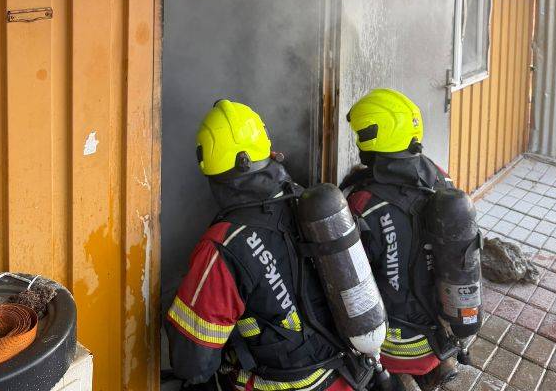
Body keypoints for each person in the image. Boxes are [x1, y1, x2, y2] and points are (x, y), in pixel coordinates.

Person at [166, 99, 372, 391]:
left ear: (207, 163)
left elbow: (193, 362)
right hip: (344, 376)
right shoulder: (308, 204)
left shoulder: (223, 245)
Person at [342, 89, 460, 390]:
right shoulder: (439, 176)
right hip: (443, 334)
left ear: (372, 140)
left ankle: (399, 379)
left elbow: (350, 282)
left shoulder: (363, 203)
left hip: (396, 347)